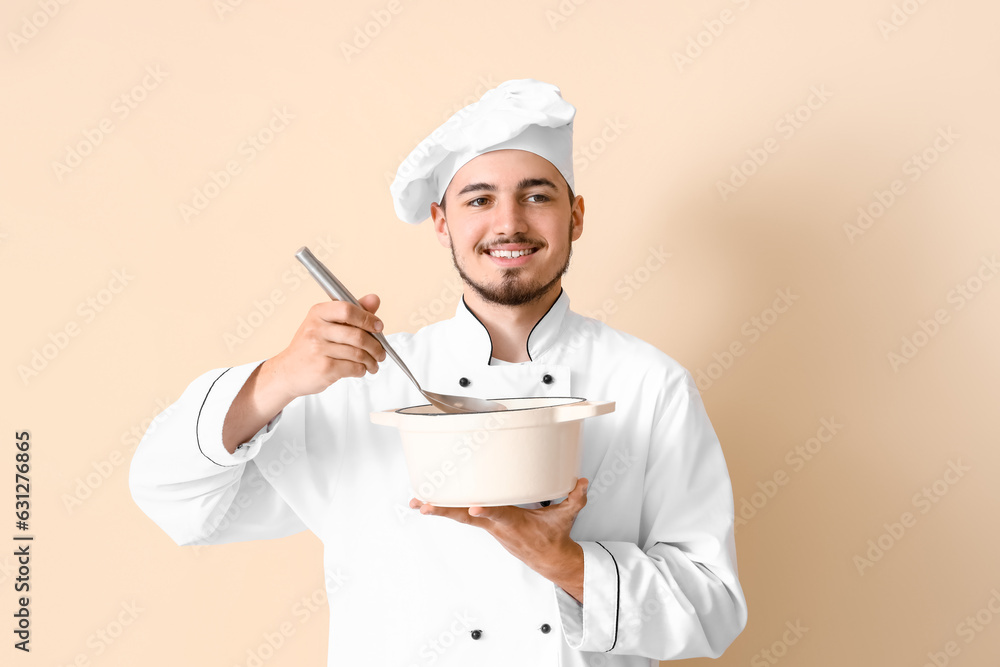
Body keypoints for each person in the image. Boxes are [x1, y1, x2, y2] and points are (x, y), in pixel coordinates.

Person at [129, 78, 747, 666]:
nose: (508, 223)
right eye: (478, 199)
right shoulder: (363, 381)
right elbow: (173, 498)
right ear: (443, 222)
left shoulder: (648, 382)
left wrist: (562, 560)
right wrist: (277, 378)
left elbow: (712, 609)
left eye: (537, 195)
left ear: (576, 216)